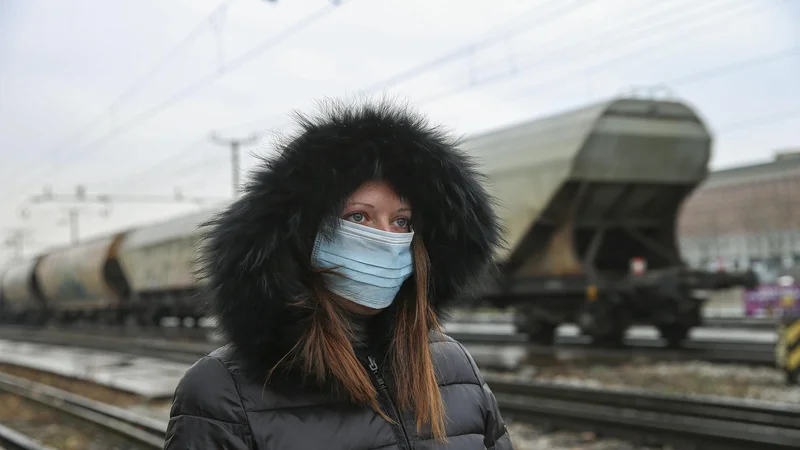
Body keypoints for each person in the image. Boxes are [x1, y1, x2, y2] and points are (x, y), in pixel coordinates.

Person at [164, 99, 514, 449]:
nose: (386, 238)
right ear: (302, 236)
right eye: (358, 217)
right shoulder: (223, 392)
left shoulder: (456, 367)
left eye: (401, 221)